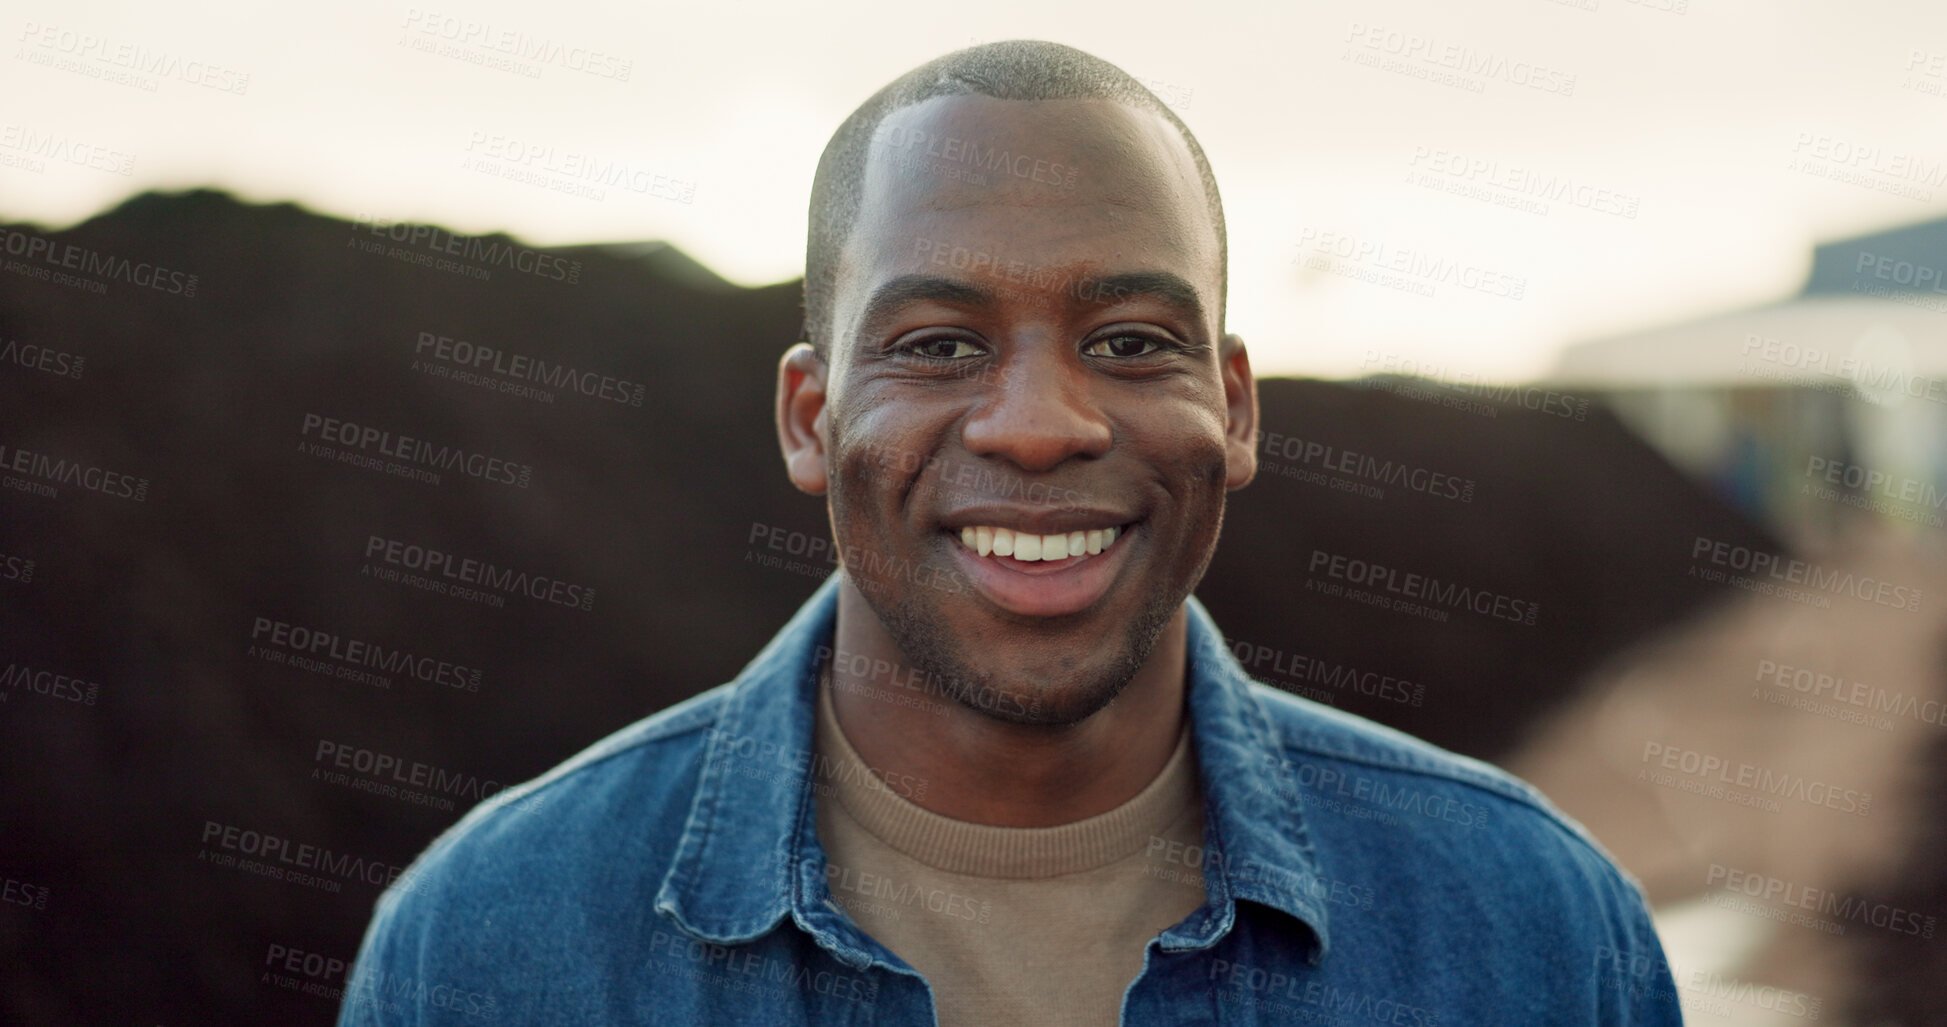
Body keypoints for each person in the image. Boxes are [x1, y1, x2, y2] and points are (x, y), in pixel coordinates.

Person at [340, 40, 1683, 1025]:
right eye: (936, 344)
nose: (1039, 426)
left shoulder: (1536, 937)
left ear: (1233, 407)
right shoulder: (488, 952)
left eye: (1129, 340)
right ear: (810, 419)